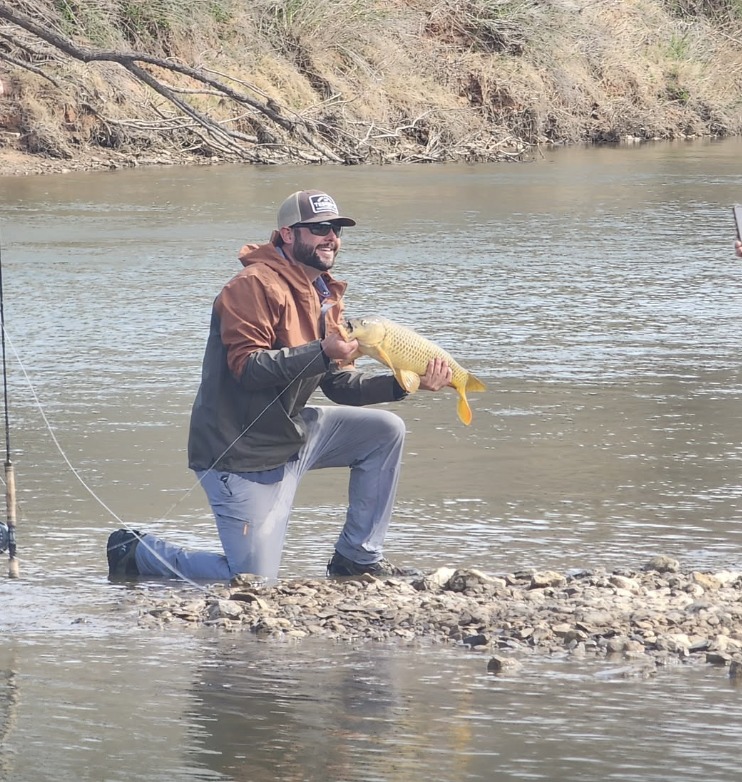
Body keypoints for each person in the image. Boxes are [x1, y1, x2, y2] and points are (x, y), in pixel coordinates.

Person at [106, 189, 452, 582]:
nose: (331, 238)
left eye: (336, 229)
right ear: (287, 235)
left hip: (293, 435)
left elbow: (339, 385)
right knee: (252, 579)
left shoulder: (325, 293)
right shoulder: (251, 286)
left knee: (385, 431)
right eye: (319, 228)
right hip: (239, 453)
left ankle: (357, 558)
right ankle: (136, 552)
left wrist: (403, 385)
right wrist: (321, 351)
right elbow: (248, 369)